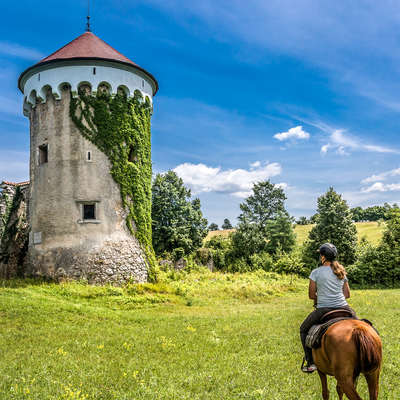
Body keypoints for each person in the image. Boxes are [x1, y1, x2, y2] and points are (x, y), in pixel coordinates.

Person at [300, 243, 356, 373]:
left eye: (320, 254)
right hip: (345, 308)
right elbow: (347, 294)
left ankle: (311, 362)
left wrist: (323, 296)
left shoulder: (316, 272)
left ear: (323, 256)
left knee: (303, 330)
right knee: (363, 325)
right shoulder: (340, 271)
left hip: (324, 309)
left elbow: (311, 295)